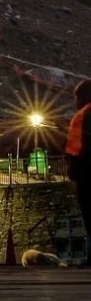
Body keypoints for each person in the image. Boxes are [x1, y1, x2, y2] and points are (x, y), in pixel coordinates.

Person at [66, 79, 91, 235]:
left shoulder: (84, 115)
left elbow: (77, 149)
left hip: (87, 177)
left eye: (77, 97)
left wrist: (74, 172)